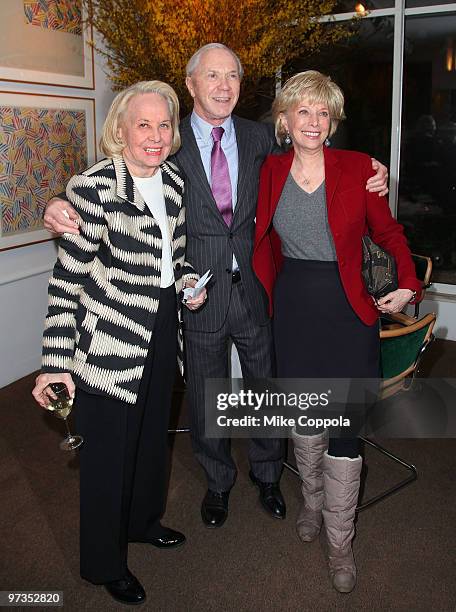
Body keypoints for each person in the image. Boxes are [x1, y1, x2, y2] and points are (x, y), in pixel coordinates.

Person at [41, 44, 389, 530]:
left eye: (232, 77)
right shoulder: (168, 138)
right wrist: (56, 201)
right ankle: (218, 482)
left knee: (265, 387)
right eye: (212, 76)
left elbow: (313, 162)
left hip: (258, 289)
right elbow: (115, 175)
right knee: (207, 394)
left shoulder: (260, 137)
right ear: (191, 85)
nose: (223, 86)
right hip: (196, 293)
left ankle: (268, 474)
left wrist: (374, 171)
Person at [32, 80, 205, 605]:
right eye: (143, 124)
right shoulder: (92, 188)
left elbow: (174, 255)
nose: (155, 136)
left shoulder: (174, 182)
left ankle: (142, 522)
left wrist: (189, 283)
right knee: (108, 456)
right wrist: (54, 364)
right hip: (108, 343)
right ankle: (104, 564)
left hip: (162, 328)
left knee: (153, 440)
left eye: (164, 125)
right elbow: (67, 283)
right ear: (121, 130)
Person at [252, 71, 421, 594]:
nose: (313, 121)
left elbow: (389, 232)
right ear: (284, 119)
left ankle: (340, 542)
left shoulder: (358, 170)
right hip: (295, 311)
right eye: (303, 111)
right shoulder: (268, 172)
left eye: (323, 113)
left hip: (350, 313)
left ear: (332, 122)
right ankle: (312, 501)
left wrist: (410, 284)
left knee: (344, 426)